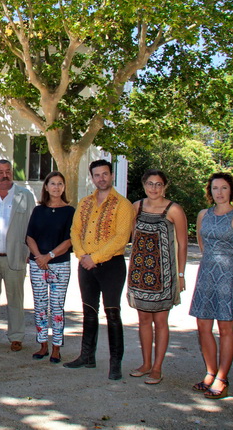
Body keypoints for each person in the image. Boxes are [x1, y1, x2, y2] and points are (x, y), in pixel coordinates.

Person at [189, 172, 233, 399]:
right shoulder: (202, 215)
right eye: (215, 188)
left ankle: (222, 378)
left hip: (230, 278)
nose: (219, 192)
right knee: (203, 326)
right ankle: (210, 372)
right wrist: (211, 263)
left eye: (224, 188)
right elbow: (201, 242)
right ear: (210, 191)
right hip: (206, 275)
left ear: (231, 191)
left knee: (225, 329)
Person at [65, 159, 132, 380]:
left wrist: (94, 257)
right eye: (97, 175)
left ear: (111, 176)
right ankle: (87, 356)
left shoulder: (123, 205)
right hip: (86, 264)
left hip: (111, 265)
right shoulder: (84, 203)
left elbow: (121, 238)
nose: (101, 178)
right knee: (89, 311)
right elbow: (75, 231)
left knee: (112, 313)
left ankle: (115, 363)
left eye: (105, 174)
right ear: (92, 177)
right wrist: (82, 255)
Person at [126, 170, 188, 385]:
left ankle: (157, 368)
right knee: (143, 320)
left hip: (164, 275)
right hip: (140, 273)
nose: (154, 188)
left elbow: (182, 244)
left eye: (159, 184)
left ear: (165, 187)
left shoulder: (174, 210)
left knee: (161, 321)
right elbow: (132, 237)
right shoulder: (136, 207)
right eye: (150, 184)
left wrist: (180, 275)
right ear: (144, 185)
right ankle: (145, 364)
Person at [0, 159, 36, 352]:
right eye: (0, 171)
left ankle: (16, 336)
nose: (4, 175)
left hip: (15, 256)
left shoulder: (25, 196)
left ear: (12, 173)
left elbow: (32, 226)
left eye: (8, 171)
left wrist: (29, 252)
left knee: (15, 299)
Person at [26, 171, 74, 364]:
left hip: (59, 264)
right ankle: (42, 344)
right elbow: (30, 236)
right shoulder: (38, 210)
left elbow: (69, 240)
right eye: (52, 183)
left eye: (60, 184)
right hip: (37, 264)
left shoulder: (70, 211)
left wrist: (49, 256)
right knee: (40, 305)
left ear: (63, 187)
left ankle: (56, 347)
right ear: (46, 187)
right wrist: (39, 257)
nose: (56, 187)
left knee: (56, 306)